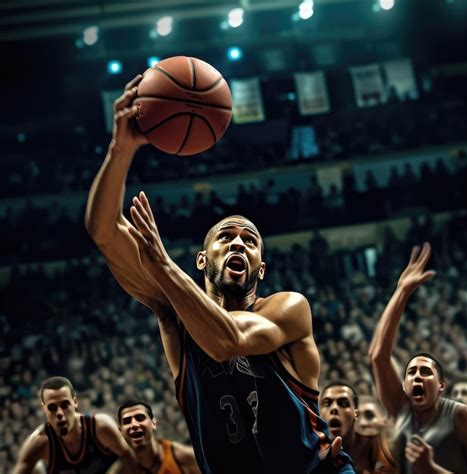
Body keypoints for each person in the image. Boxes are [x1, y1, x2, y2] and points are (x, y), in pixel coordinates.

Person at [85, 76, 353, 473]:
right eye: (225, 236)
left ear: (261, 267)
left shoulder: (289, 308)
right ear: (201, 259)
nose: (238, 243)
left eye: (250, 240)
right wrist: (120, 150)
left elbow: (228, 340)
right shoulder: (175, 311)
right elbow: (103, 229)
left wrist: (161, 265)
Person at [369, 243, 467, 473]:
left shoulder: (465, 419)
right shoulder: (400, 409)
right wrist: (402, 292)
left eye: (425, 371)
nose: (417, 375)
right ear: (405, 386)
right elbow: (378, 356)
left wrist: (430, 468)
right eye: (411, 372)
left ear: (441, 385)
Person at [13, 376, 137, 474]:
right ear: (43, 409)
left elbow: (133, 460)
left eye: (64, 405)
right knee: (36, 470)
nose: (59, 413)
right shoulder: (39, 443)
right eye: (52, 407)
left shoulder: (100, 427)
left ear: (75, 402)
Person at [320, 383, 397, 473]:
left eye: (343, 403)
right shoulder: (309, 448)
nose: (334, 408)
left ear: (356, 414)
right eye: (327, 403)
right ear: (319, 412)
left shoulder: (374, 445)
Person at [110, 398, 200, 474]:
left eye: (140, 418)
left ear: (153, 423)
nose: (134, 424)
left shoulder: (184, 458)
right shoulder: (119, 471)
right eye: (127, 421)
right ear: (120, 431)